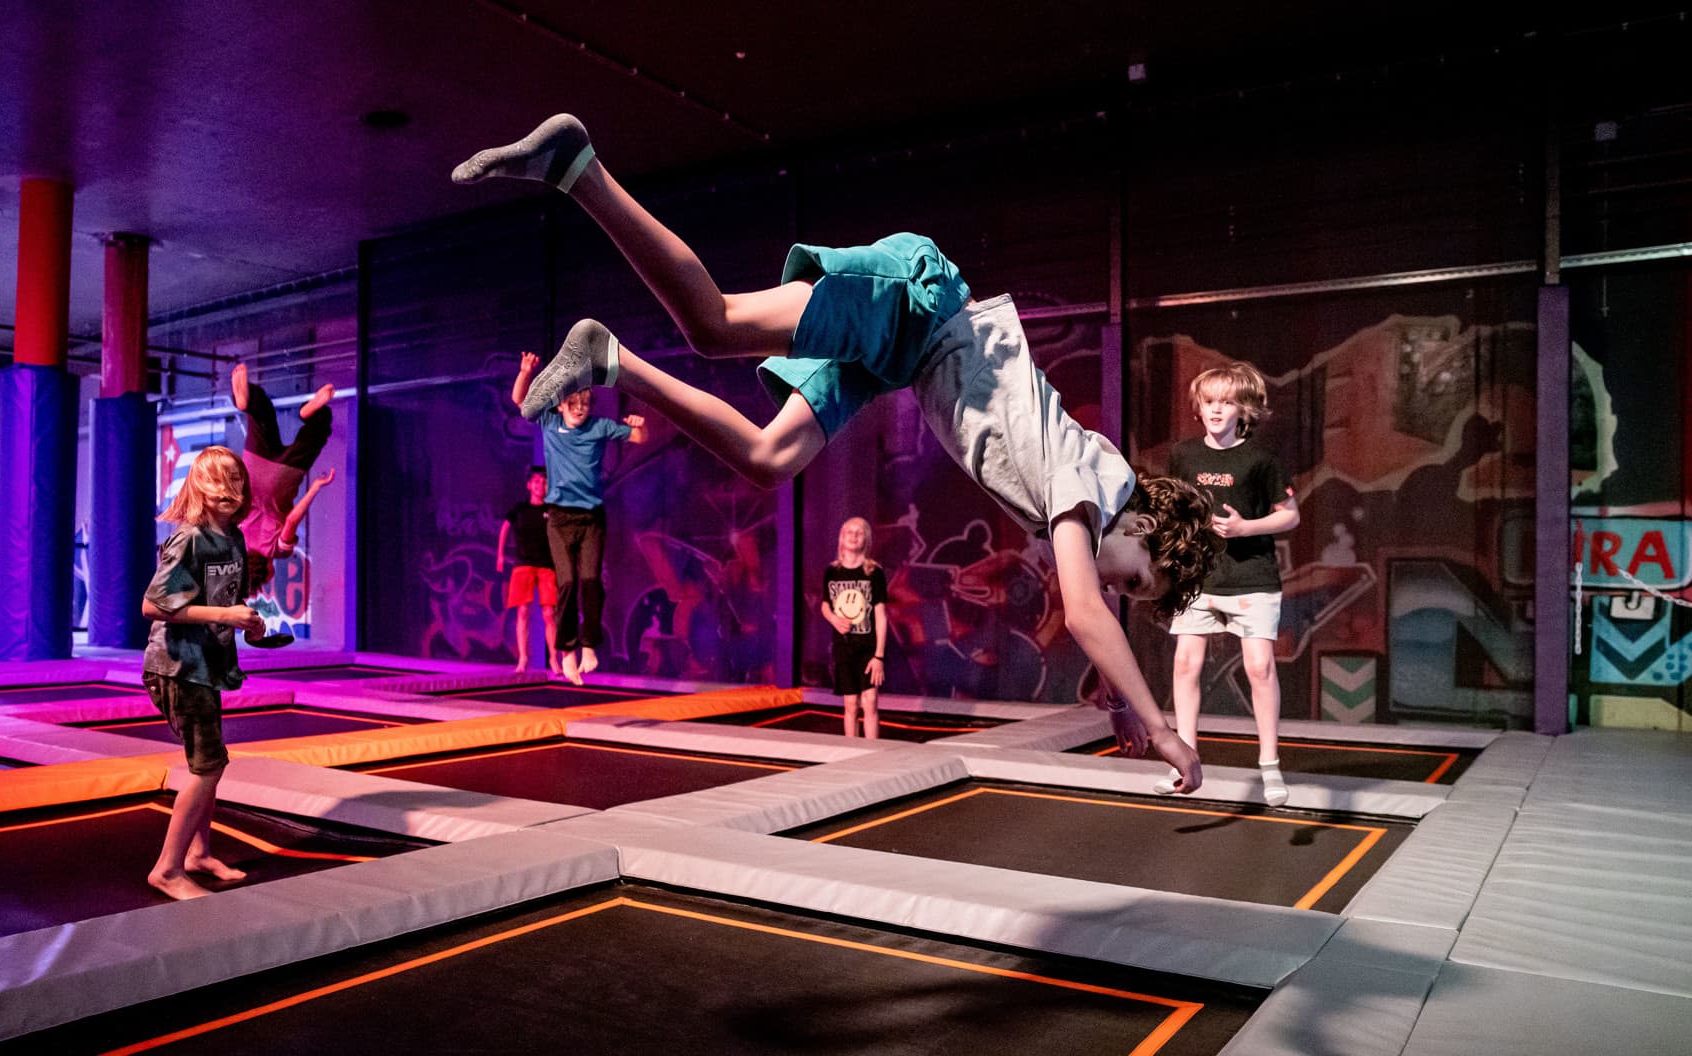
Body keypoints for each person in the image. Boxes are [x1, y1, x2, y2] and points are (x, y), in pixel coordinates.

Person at [456, 115, 1220, 791]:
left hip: (902, 357)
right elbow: (1085, 612)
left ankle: (610, 360)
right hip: (916, 310)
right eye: (1137, 579)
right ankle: (578, 167)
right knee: (715, 325)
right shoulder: (1085, 488)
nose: (1117, 588)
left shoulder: (1086, 492)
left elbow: (1090, 601)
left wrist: (1117, 700)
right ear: (1144, 525)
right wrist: (1159, 727)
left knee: (768, 457)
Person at [1159, 361, 1299, 804]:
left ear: (1243, 409)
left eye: (1226, 402)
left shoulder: (1260, 459)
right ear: (1198, 408)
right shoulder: (1184, 455)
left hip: (1251, 577)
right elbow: (1173, 509)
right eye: (1209, 402)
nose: (1217, 410)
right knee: (1186, 665)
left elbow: (1290, 516)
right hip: (1198, 577)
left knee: (1259, 668)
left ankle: (1270, 766)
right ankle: (1184, 762)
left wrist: (1245, 528)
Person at [140, 445, 266, 900]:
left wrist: (248, 623)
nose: (228, 490)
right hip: (176, 667)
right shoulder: (189, 538)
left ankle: (198, 853)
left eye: (236, 480)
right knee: (209, 766)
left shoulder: (233, 538)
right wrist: (226, 615)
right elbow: (152, 604)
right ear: (198, 486)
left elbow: (226, 600)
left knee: (208, 763)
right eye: (217, 480)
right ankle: (168, 869)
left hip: (207, 665)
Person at [511, 351, 648, 684]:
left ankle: (588, 645)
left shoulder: (599, 427)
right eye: (574, 406)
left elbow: (638, 439)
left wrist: (640, 427)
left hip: (590, 519)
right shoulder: (550, 423)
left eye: (585, 405)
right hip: (559, 519)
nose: (580, 411)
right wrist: (525, 372)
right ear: (561, 406)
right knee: (567, 583)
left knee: (590, 582)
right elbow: (519, 400)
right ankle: (567, 651)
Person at [232, 363, 336, 597]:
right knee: (261, 413)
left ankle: (310, 414)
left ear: (266, 573)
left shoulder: (278, 551)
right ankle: (246, 403)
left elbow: (291, 520)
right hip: (253, 469)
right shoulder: (235, 538)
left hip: (282, 479)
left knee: (317, 432)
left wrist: (315, 487)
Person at [822, 517, 889, 738]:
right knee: (850, 704)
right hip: (844, 647)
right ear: (842, 537)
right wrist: (833, 619)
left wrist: (879, 656)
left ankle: (873, 751)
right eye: (849, 532)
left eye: (859, 532)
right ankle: (850, 751)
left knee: (870, 701)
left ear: (866, 539)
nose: (854, 536)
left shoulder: (873, 572)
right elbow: (825, 605)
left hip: (868, 647)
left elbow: (881, 615)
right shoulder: (832, 571)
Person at [497, 464, 561, 676]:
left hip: (546, 566)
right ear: (529, 485)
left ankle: (553, 658)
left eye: (544, 482)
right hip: (523, 565)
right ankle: (523, 658)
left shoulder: (551, 510)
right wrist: (500, 554)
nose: (540, 485)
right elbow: (505, 527)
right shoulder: (520, 509)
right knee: (523, 611)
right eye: (536, 482)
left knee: (549, 613)